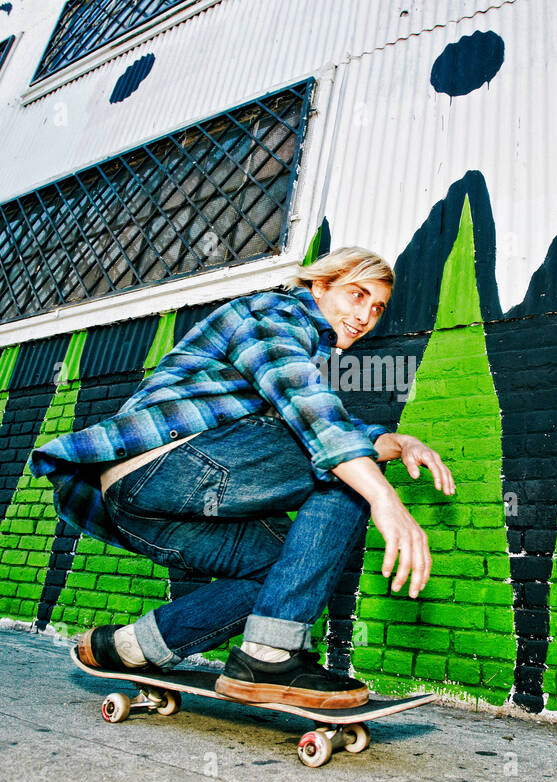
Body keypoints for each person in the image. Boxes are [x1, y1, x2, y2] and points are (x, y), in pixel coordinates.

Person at [28, 247, 456, 709]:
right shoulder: (272, 313)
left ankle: (130, 646)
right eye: (356, 295)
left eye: (376, 308)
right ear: (319, 285)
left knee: (279, 571)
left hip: (139, 502)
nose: (365, 316)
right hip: (167, 465)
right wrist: (383, 499)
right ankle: (271, 657)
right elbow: (316, 419)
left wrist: (397, 441)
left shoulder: (301, 348)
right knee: (347, 472)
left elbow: (314, 420)